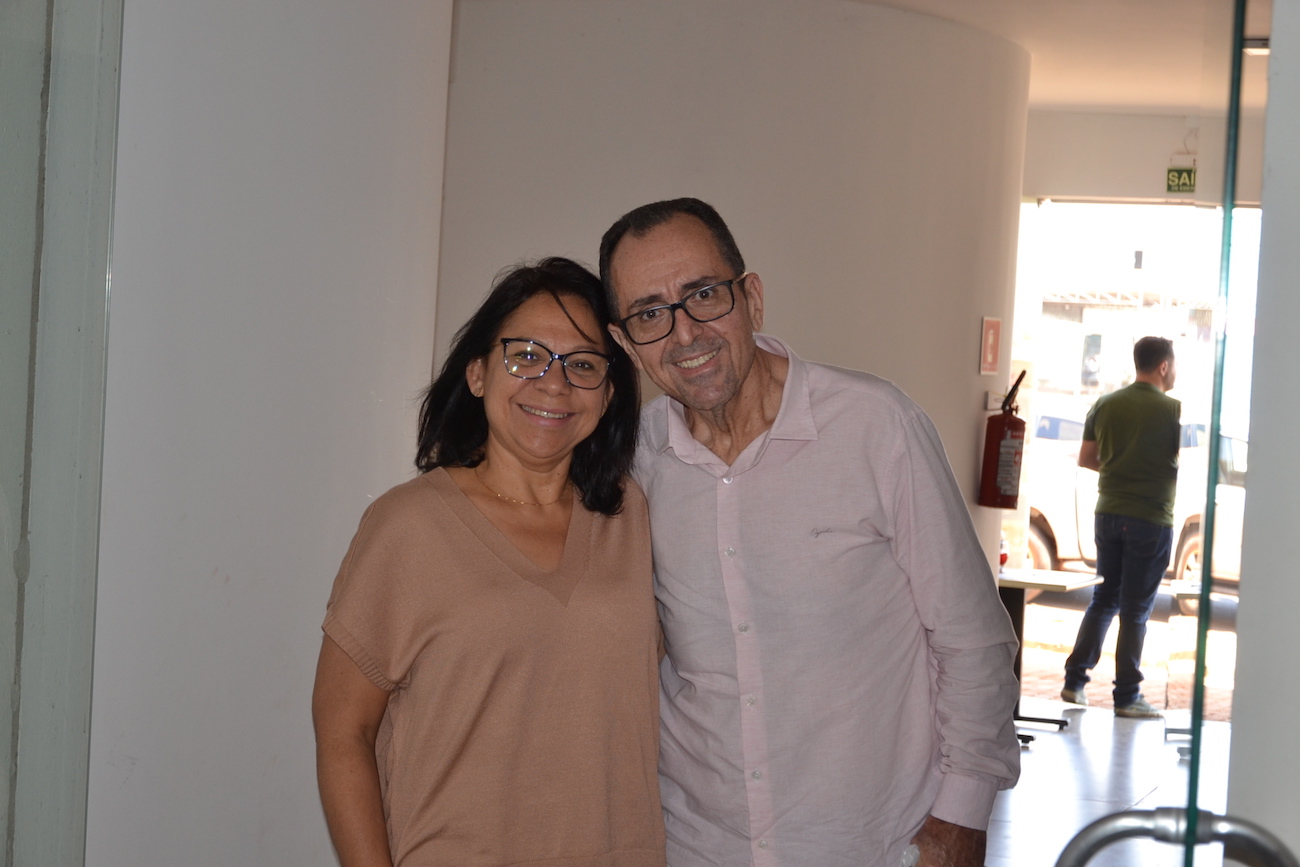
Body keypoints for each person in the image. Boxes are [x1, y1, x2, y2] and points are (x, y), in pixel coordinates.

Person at [598, 198, 1020, 867]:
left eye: (704, 295)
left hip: (871, 845)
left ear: (752, 298)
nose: (685, 333)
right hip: (698, 845)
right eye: (650, 314)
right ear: (625, 343)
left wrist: (962, 816)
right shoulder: (633, 466)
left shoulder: (876, 428)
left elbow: (972, 637)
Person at [311, 257, 665, 867]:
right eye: (526, 356)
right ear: (477, 373)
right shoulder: (407, 526)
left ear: (609, 394)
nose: (554, 384)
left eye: (583, 364)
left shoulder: (634, 517)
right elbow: (344, 732)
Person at [1061, 336, 1181, 719]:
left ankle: (1075, 681)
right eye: (1174, 366)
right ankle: (1127, 696)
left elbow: (1086, 458)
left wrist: (1119, 468)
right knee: (1136, 609)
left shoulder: (1106, 404)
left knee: (1104, 598)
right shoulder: (1173, 411)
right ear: (1163, 366)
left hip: (1108, 513)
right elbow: (1181, 462)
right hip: (1150, 518)